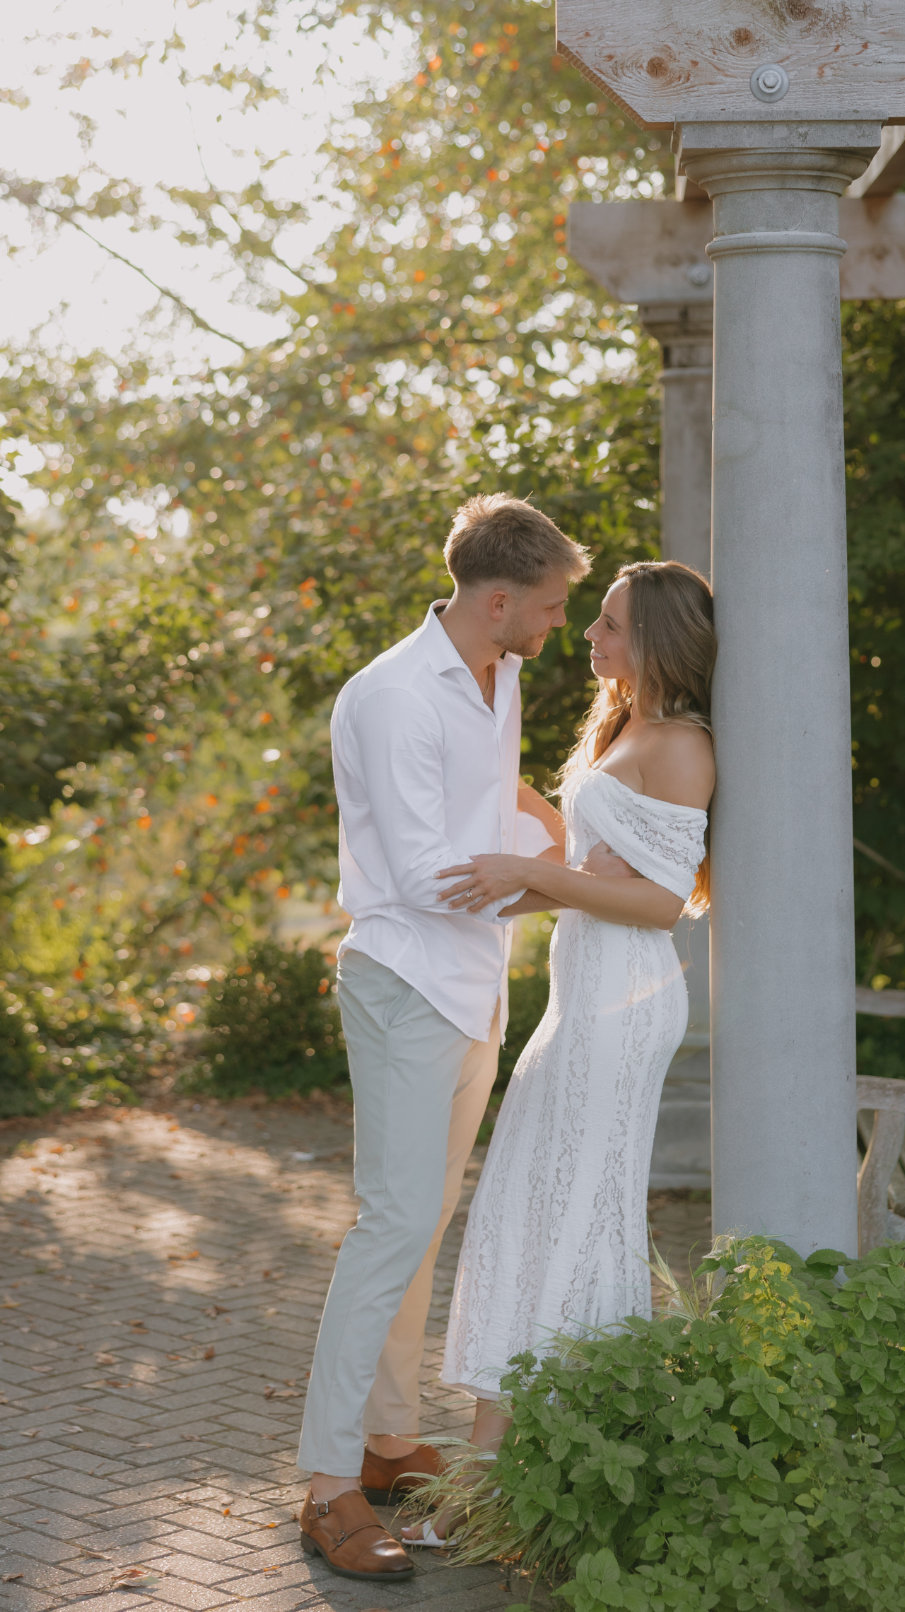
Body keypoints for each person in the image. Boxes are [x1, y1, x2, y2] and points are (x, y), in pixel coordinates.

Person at [296, 493, 591, 1582]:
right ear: (500, 598)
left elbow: (488, 797)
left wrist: (555, 830)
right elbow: (427, 873)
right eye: (554, 606)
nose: (560, 624)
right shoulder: (388, 696)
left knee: (421, 1229)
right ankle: (326, 1487)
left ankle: (386, 1443)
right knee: (389, 1229)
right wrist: (564, 882)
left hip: (474, 987)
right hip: (405, 978)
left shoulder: (499, 671)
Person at [403, 559, 716, 1543]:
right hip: (579, 999)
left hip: (623, 1006)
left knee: (566, 1214)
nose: (589, 637)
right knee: (533, 1208)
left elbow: (662, 906)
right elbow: (589, 877)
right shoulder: (623, 728)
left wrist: (532, 875)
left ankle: (497, 1482)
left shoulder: (682, 746)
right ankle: (516, 1472)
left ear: (657, 639)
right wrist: (499, 889)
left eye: (611, 626)